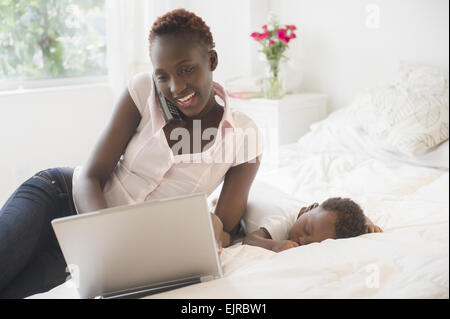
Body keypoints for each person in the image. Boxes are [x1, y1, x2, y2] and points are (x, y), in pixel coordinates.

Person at [0, 8, 263, 298]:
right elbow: (90, 176)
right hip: (60, 199)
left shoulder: (244, 137)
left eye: (186, 69)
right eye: (163, 75)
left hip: (103, 254)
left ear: (211, 60)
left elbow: (221, 227)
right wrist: (112, 251)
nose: (175, 87)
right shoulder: (143, 91)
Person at [242, 197, 383, 252]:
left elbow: (350, 212)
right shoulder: (282, 221)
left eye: (309, 244)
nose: (302, 240)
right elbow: (249, 239)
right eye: (307, 230)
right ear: (311, 207)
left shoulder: (318, 215)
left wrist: (365, 223)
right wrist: (274, 245)